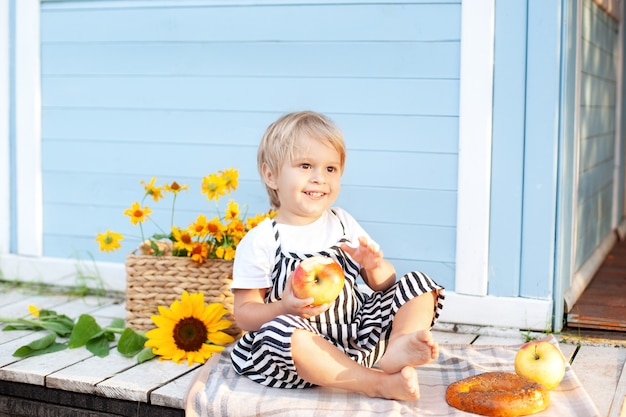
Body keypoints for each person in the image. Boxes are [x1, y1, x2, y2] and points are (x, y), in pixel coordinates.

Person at [230, 111, 445, 401]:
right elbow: (245, 314)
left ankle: (398, 345)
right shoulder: (262, 239)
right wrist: (283, 307)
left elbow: (384, 285)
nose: (320, 178)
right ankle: (377, 383)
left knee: (418, 283)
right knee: (279, 331)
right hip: (298, 359)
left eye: (331, 169)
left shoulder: (342, 222)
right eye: (306, 166)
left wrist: (374, 266)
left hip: (354, 338)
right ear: (271, 175)